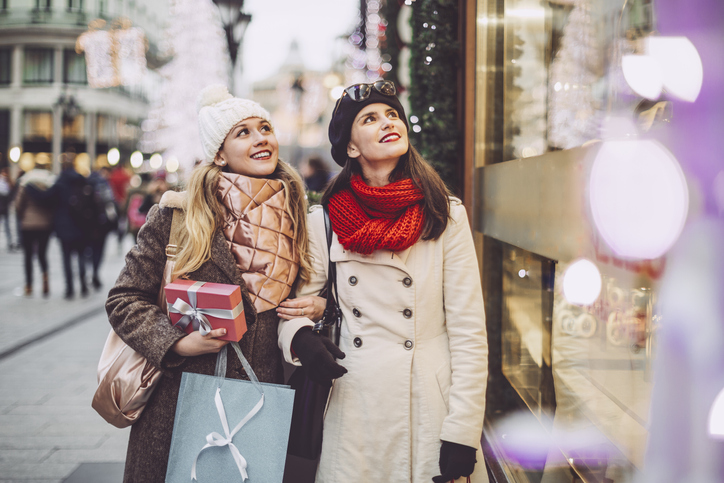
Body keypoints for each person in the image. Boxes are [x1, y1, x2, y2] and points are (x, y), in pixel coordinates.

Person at [277, 81, 490, 483]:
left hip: (428, 410)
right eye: (370, 118)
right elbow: (293, 311)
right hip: (354, 408)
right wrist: (301, 340)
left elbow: (467, 335)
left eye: (392, 114)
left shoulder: (445, 215)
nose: (388, 122)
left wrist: (462, 433)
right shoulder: (324, 222)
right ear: (351, 148)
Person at [105, 85, 312, 483]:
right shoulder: (177, 216)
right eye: (243, 132)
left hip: (261, 396)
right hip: (180, 398)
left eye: (264, 127)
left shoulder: (297, 214)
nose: (261, 139)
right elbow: (124, 298)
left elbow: (309, 294)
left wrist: (316, 308)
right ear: (219, 153)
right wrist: (175, 342)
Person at [14, 163, 56, 296]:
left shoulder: (26, 182)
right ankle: (45, 281)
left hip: (28, 225)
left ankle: (29, 285)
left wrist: (23, 217)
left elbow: (18, 205)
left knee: (28, 256)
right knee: (42, 254)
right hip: (44, 225)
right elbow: (53, 205)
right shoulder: (49, 183)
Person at [87, 166, 119, 290]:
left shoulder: (87, 183)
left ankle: (90, 271)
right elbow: (111, 203)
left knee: (90, 250)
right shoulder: (104, 185)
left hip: (89, 224)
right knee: (99, 250)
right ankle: (95, 272)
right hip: (102, 223)